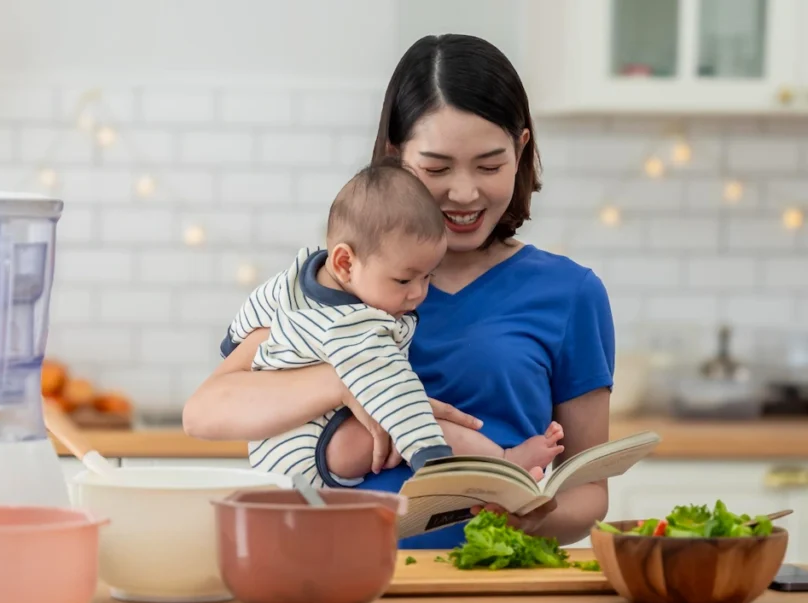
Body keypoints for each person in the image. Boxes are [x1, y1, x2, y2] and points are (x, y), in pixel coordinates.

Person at [183, 34, 614, 550]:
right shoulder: (335, 285)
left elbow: (589, 489)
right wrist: (348, 381)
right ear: (394, 154)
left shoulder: (570, 294)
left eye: (489, 165)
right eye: (436, 168)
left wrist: (529, 518)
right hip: (334, 570)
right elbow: (205, 411)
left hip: (490, 580)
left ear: (521, 150)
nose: (464, 192)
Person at [221, 158, 564, 488]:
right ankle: (504, 462)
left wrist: (234, 340)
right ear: (345, 263)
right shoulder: (357, 327)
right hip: (318, 449)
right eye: (403, 280)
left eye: (428, 276)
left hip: (271, 445)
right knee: (423, 418)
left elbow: (257, 306)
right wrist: (429, 455)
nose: (418, 293)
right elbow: (395, 390)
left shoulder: (297, 278)